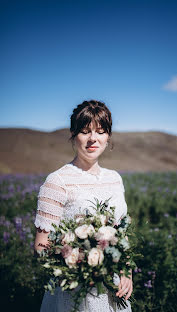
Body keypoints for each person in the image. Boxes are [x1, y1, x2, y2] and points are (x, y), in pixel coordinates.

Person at [34, 100, 133, 312]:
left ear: (108, 136)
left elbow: (121, 235)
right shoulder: (57, 181)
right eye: (85, 131)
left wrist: (126, 273)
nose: (93, 139)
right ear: (73, 134)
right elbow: (41, 247)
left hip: (113, 289)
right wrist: (79, 261)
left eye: (100, 131)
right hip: (73, 290)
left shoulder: (115, 179)